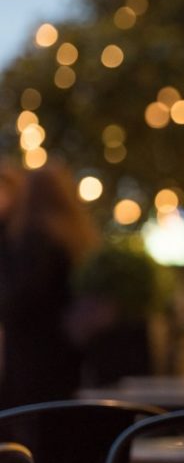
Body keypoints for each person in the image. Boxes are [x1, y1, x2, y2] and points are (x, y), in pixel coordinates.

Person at [0, 161, 99, 408]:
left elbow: (19, 299)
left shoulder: (30, 242)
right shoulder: (77, 241)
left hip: (30, 357)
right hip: (68, 355)